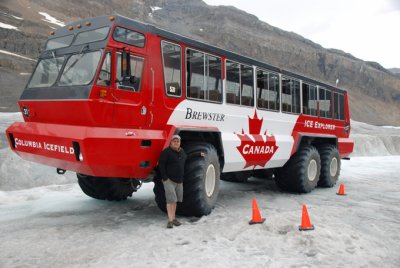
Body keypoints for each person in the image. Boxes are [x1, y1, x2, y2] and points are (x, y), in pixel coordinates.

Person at [158, 134, 187, 228]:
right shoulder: (166, 152)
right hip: (169, 181)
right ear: (170, 142)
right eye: (174, 141)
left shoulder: (182, 152)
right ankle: (170, 220)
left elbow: (188, 157)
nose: (176, 142)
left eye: (177, 141)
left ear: (180, 143)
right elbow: (161, 165)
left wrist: (199, 154)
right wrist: (165, 178)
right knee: (171, 201)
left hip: (179, 181)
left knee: (175, 201)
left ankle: (173, 218)